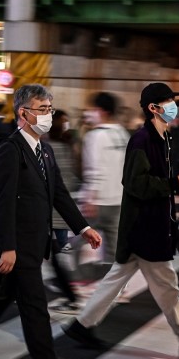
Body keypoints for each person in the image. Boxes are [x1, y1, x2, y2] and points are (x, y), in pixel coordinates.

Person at [0, 84, 102, 359]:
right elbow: (3, 201)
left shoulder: (43, 148)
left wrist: (82, 228)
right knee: (36, 309)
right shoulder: (11, 150)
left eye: (50, 108)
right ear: (23, 113)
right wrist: (7, 246)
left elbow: (58, 194)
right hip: (18, 245)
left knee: (0, 296)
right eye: (42, 109)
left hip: (36, 241)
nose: (49, 115)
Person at [63, 82, 179, 359]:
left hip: (147, 223)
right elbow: (135, 183)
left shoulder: (161, 138)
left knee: (117, 279)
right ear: (153, 108)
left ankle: (81, 326)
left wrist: (176, 183)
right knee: (167, 287)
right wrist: (173, 184)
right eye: (168, 102)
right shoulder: (143, 140)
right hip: (145, 226)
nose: (174, 107)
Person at [78, 92, 130, 276]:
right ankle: (116, 286)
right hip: (119, 199)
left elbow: (94, 170)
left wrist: (90, 198)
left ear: (101, 111)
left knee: (79, 238)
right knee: (114, 246)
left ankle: (76, 281)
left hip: (98, 201)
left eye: (92, 109)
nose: (89, 113)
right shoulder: (123, 134)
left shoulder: (95, 136)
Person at [46, 110, 83, 313]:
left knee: (52, 256)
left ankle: (71, 295)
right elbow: (73, 179)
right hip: (63, 209)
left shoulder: (47, 148)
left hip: (49, 210)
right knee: (54, 253)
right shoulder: (69, 147)